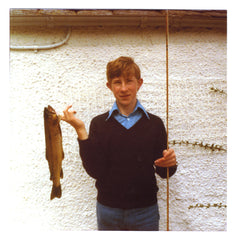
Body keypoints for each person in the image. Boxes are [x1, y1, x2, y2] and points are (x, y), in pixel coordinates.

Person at [61, 56, 177, 231]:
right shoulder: (99, 124)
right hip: (108, 211)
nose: (124, 88)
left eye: (129, 81)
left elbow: (164, 172)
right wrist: (81, 131)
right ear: (109, 86)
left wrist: (170, 163)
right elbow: (95, 171)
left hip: (145, 212)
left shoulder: (155, 123)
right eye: (117, 82)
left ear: (139, 83)